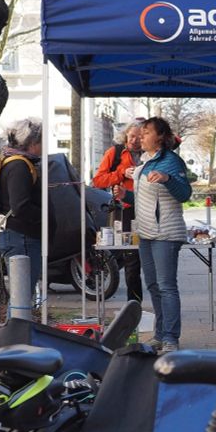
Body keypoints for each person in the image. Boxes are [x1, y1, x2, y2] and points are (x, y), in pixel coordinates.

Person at [116, 118, 191, 352]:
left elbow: (185, 193)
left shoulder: (170, 161)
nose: (141, 136)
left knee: (167, 286)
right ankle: (160, 334)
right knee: (153, 285)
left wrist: (168, 179)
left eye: (146, 132)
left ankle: (171, 338)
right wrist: (123, 195)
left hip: (166, 233)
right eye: (140, 133)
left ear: (159, 137)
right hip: (147, 233)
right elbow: (143, 199)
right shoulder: (145, 161)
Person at [92, 122, 143, 303]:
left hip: (149, 209)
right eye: (132, 137)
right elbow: (98, 180)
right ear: (126, 136)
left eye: (141, 136)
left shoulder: (153, 153)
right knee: (132, 261)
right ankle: (134, 304)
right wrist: (122, 173)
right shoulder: (115, 153)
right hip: (126, 211)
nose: (136, 141)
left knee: (148, 259)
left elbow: (174, 140)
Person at [0, 118, 43, 292]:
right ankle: (15, 321)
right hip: (21, 237)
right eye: (41, 141)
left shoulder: (15, 162)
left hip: (19, 236)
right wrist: (43, 216)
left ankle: (16, 320)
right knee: (21, 296)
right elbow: (20, 206)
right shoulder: (19, 166)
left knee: (22, 295)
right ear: (31, 143)